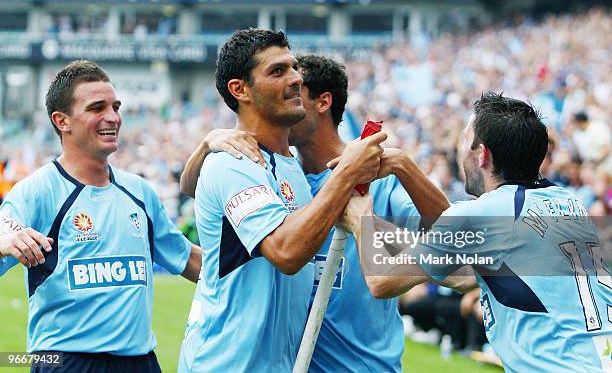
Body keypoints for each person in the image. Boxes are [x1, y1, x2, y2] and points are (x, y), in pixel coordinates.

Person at [180, 53, 474, 371]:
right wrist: (206, 145)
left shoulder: (378, 179)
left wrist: (402, 164)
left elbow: (459, 247)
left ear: (323, 103)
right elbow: (197, 190)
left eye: (297, 91)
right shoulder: (277, 177)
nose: (288, 96)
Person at [340, 92, 612, 371]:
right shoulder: (567, 202)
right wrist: (402, 166)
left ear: (482, 154)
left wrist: (361, 217)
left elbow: (383, 281)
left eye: (463, 140)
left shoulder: (489, 212)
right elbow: (461, 258)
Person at [177, 30, 386, 372]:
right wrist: (347, 172)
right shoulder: (232, 161)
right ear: (239, 89)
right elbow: (286, 253)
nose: (295, 79)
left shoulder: (291, 166)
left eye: (293, 68)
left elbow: (191, 185)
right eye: (278, 71)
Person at [0, 60, 202, 372]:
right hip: (64, 361)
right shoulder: (36, 191)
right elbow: (4, 231)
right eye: (97, 108)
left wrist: (263, 260)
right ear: (62, 121)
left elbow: (189, 259)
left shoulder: (139, 191)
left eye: (115, 106)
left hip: (139, 362)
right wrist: (8, 241)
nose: (113, 117)